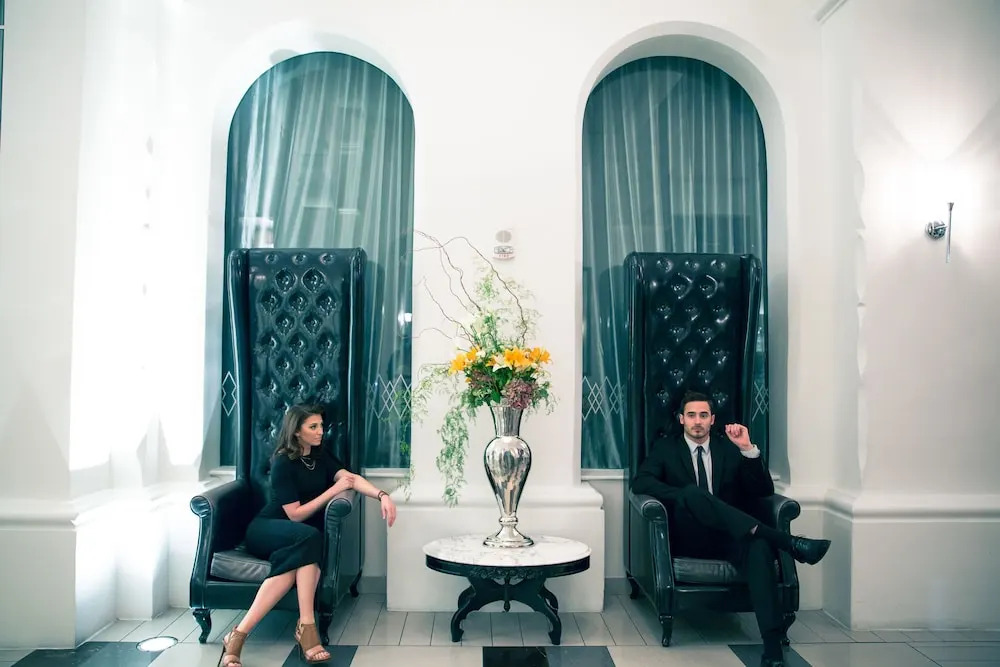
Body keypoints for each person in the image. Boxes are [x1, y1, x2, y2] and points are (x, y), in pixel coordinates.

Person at [631, 390, 830, 667]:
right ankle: (788, 542)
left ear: (712, 420)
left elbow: (763, 491)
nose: (697, 421)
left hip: (731, 535)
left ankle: (772, 650)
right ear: (681, 419)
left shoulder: (728, 448)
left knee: (759, 547)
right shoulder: (666, 448)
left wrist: (748, 449)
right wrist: (683, 496)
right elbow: (640, 483)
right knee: (692, 493)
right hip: (690, 537)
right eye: (691, 415)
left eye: (703, 415)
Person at [218, 404, 398, 667]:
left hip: (301, 537)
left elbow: (351, 479)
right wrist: (332, 491)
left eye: (321, 426)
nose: (320, 431)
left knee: (305, 554)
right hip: (268, 529)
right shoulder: (282, 462)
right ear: (296, 431)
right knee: (311, 537)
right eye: (313, 427)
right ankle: (307, 629)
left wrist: (382, 496)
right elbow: (295, 515)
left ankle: (238, 635)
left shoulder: (320, 455)